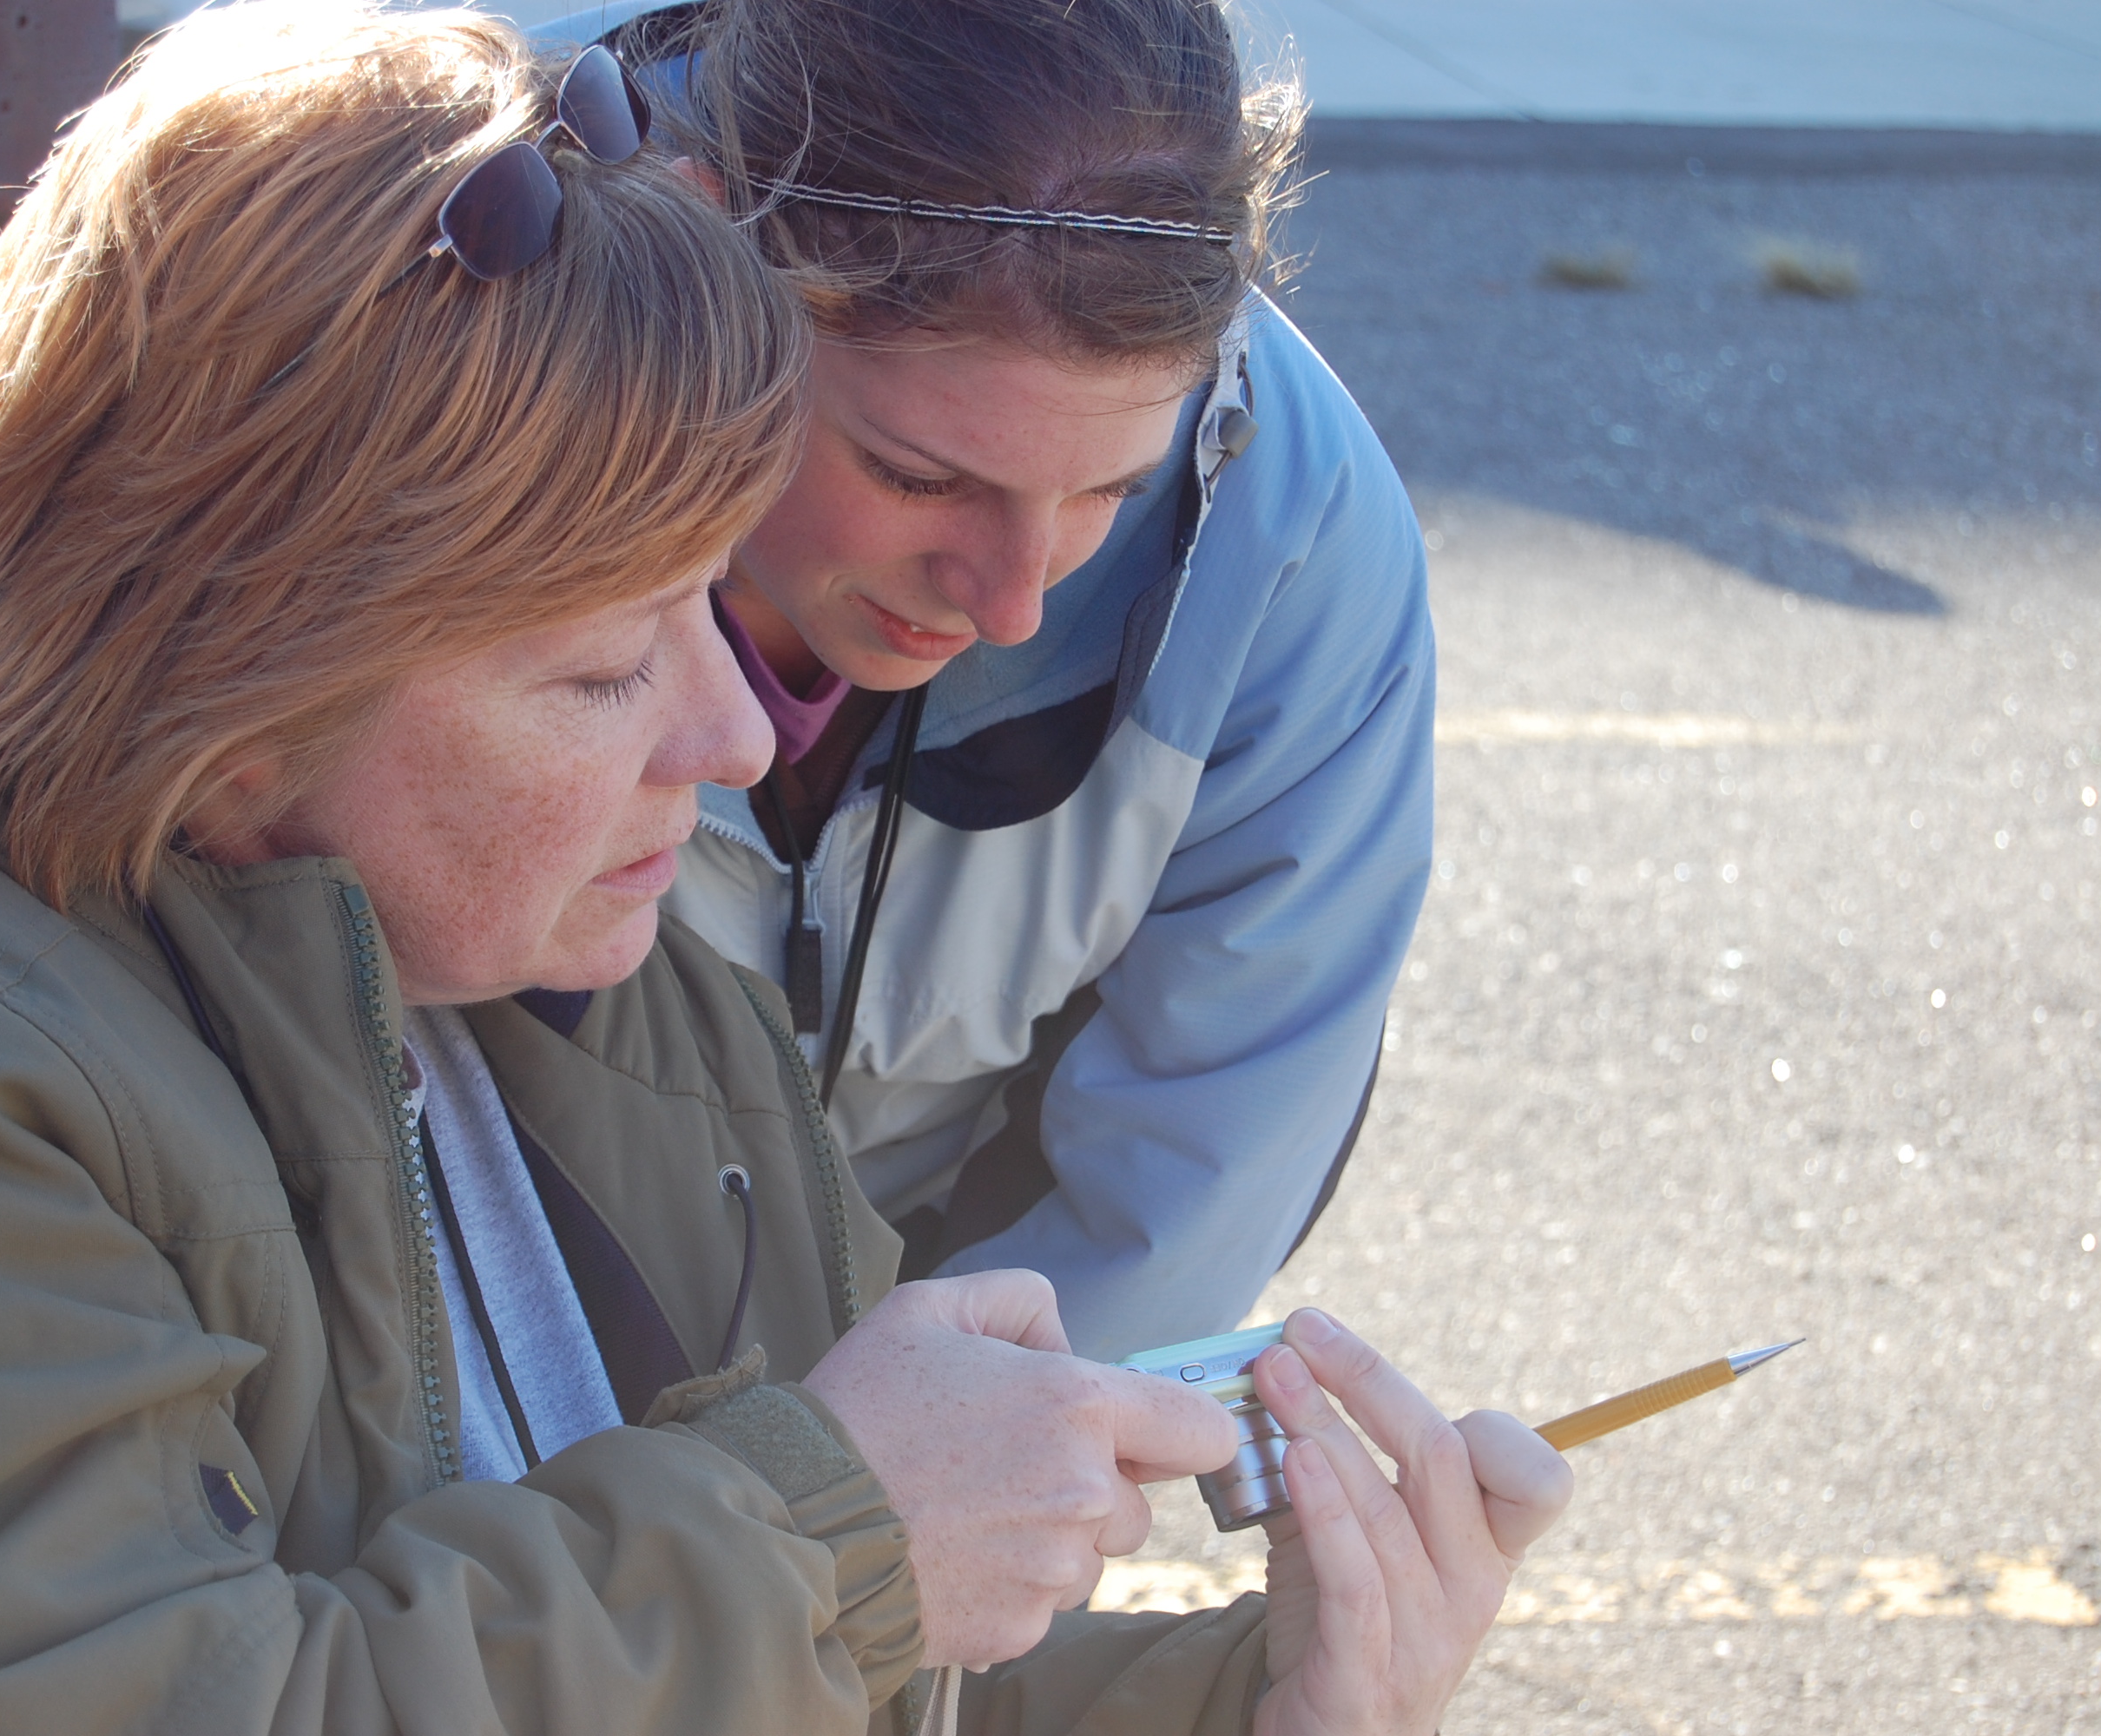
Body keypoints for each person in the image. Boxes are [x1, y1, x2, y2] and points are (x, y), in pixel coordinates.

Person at [0, 8, 1567, 1733]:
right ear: (235, 653)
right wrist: (818, 1527)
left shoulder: (563, 977)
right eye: (601, 665)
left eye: (710, 608)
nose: (743, 739)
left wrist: (1260, 1694)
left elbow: (838, 1662)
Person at [532, 0, 1436, 1362]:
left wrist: (941, 1506)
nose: (1013, 604)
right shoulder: (428, 350)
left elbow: (1181, 1195)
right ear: (695, 239)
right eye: (918, 476)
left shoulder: (1291, 529)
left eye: (1112, 493)